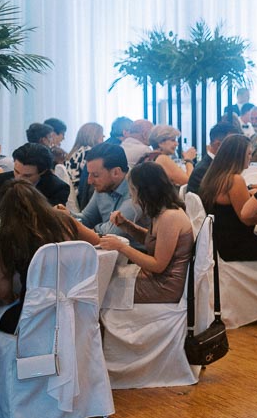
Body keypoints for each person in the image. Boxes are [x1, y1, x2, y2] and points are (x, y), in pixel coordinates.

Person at [0, 183, 99, 333]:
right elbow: (95, 240)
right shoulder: (64, 221)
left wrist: (12, 298)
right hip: (73, 311)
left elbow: (3, 291)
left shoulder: (7, 237)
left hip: (31, 318)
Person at [98, 163, 195, 304]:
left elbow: (158, 265)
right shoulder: (163, 210)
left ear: (144, 190)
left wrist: (121, 247)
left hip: (164, 286)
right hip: (160, 279)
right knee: (106, 282)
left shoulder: (170, 217)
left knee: (103, 290)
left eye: (133, 189)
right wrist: (125, 225)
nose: (131, 194)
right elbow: (154, 241)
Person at [199, 133, 257, 262]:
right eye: (248, 154)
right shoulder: (234, 180)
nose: (251, 157)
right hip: (236, 246)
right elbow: (248, 219)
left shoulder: (214, 177)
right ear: (238, 155)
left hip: (220, 243)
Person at [76, 142, 145, 249]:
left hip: (136, 259)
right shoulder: (104, 185)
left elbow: (112, 233)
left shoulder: (137, 188)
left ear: (116, 172)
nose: (89, 181)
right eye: (89, 174)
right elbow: (87, 218)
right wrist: (66, 217)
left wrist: (94, 228)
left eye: (95, 175)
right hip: (111, 252)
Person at [0, 142, 70, 207]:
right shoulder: (1, 180)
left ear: (43, 172)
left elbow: (50, 219)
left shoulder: (58, 189)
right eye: (16, 171)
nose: (18, 179)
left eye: (27, 176)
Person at [187, 120, 242, 197]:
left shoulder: (216, 164)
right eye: (233, 144)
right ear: (218, 145)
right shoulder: (204, 169)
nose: (238, 148)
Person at [65, 121, 105, 210]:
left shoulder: (74, 153)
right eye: (101, 135)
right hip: (83, 198)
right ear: (95, 136)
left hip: (73, 196)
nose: (103, 138)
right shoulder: (90, 152)